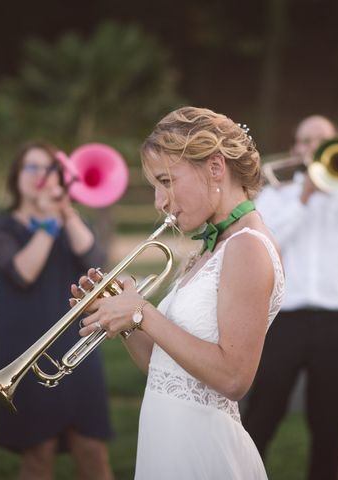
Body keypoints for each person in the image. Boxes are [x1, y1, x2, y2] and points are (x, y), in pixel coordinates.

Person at [72, 106, 285, 479]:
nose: (160, 202)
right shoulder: (210, 248)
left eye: (166, 181)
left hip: (201, 448)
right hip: (167, 437)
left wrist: (144, 313)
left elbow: (235, 379)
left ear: (215, 168)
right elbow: (163, 368)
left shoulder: (247, 247)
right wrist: (123, 318)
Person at [242, 115, 338, 480]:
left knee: (330, 421)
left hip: (336, 323)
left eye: (322, 140)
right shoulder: (276, 197)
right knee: (262, 414)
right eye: (307, 140)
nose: (314, 147)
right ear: (295, 150)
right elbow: (268, 245)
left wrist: (337, 191)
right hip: (284, 321)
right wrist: (304, 198)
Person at [0, 141, 114, 480]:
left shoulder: (70, 219)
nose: (41, 176)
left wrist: (66, 212)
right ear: (16, 178)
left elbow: (95, 261)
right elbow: (23, 272)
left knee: (92, 449)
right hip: (25, 349)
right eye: (32, 167)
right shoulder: (0, 228)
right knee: (38, 454)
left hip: (75, 346)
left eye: (49, 168)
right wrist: (47, 222)